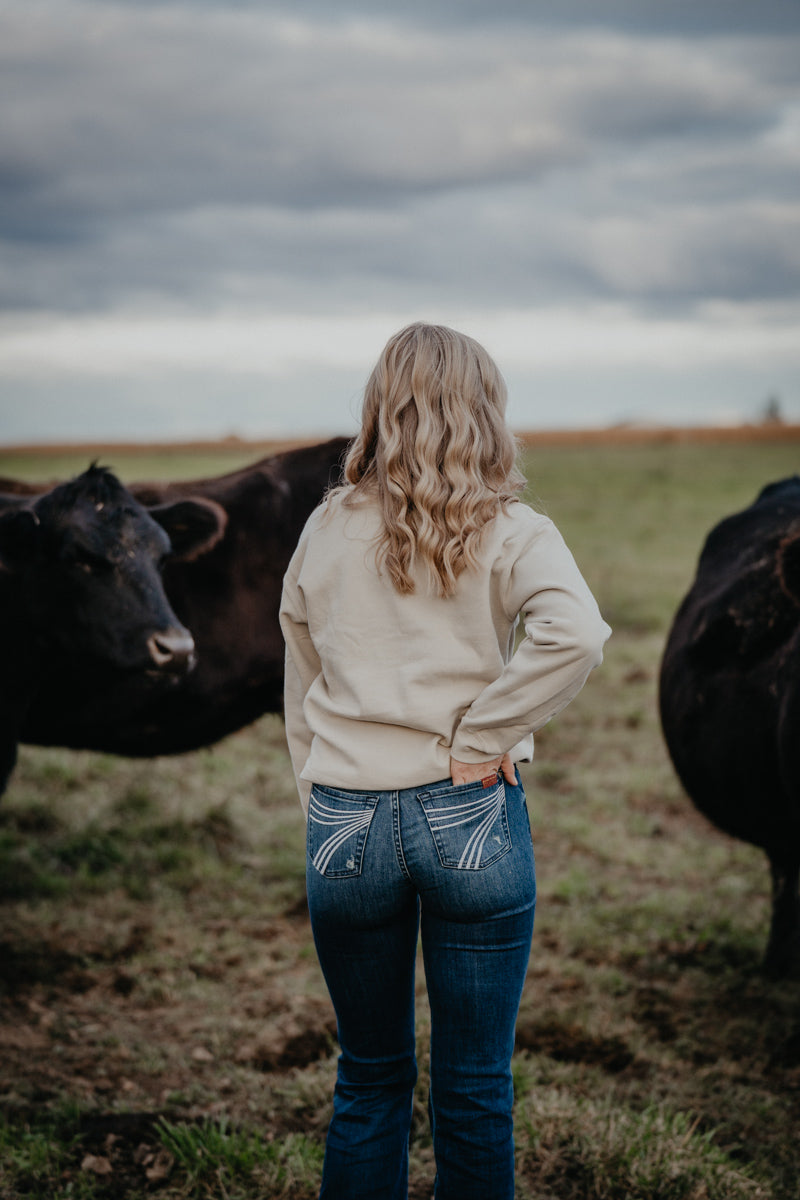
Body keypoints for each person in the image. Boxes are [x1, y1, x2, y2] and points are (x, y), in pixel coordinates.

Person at [279, 322, 610, 1199]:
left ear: (381, 410)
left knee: (368, 1076)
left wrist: (317, 789)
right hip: (470, 815)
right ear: (484, 413)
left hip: (344, 818)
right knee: (473, 1088)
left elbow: (301, 673)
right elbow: (574, 634)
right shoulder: (513, 529)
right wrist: (484, 736)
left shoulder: (323, 527)